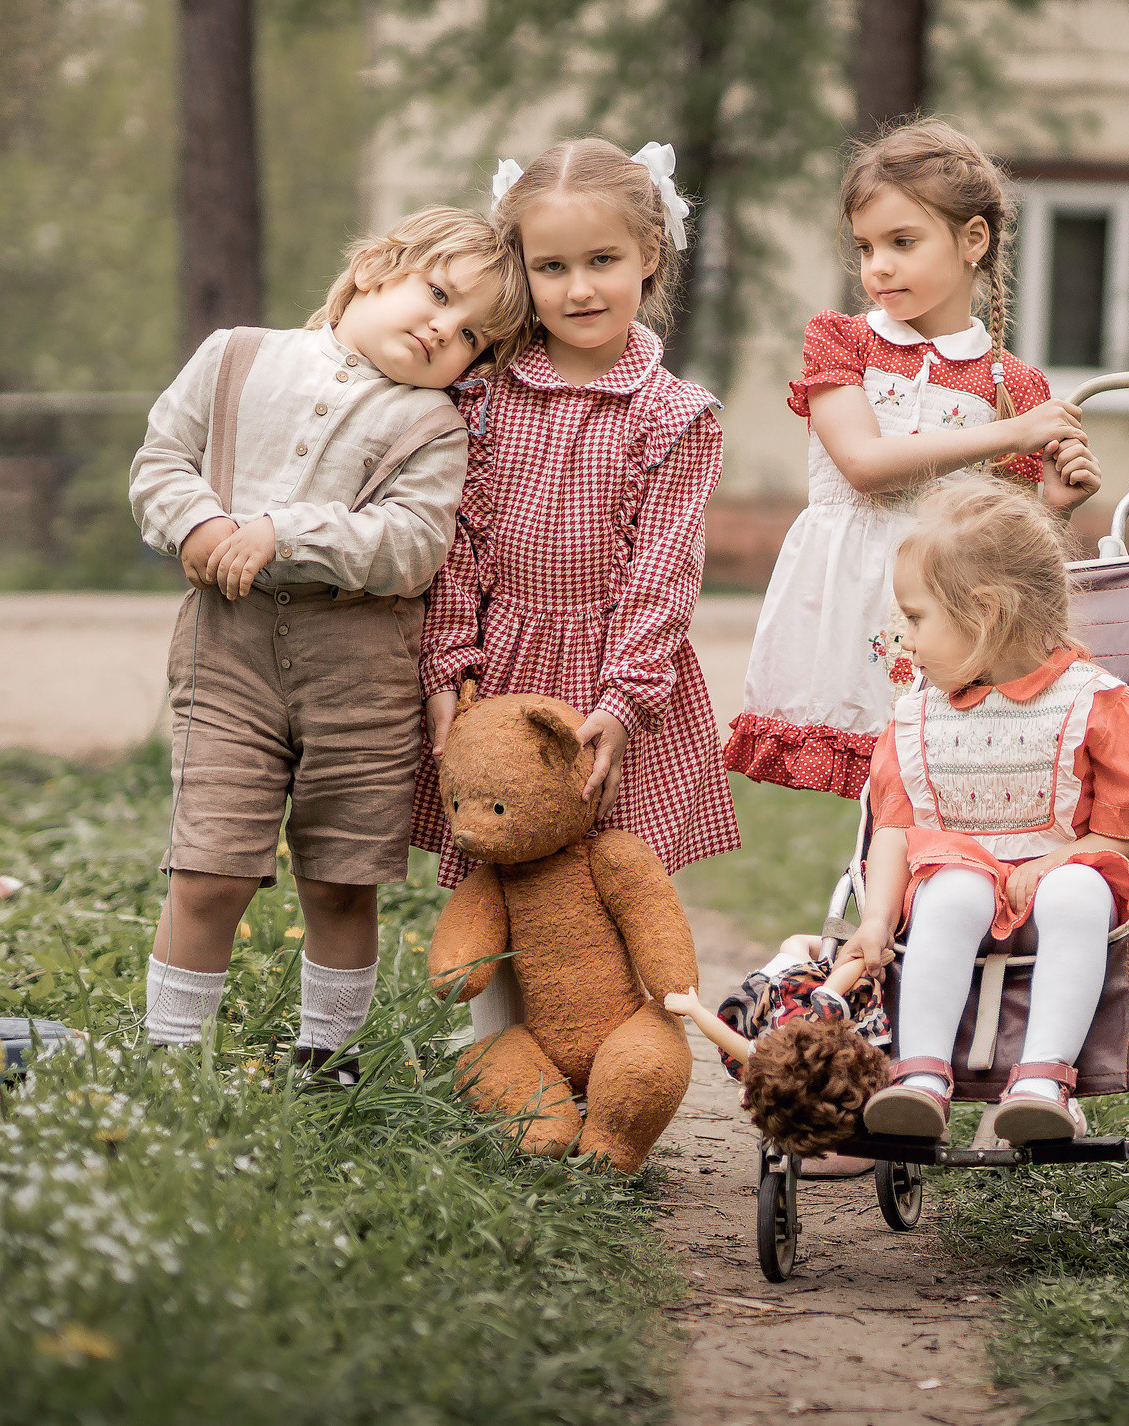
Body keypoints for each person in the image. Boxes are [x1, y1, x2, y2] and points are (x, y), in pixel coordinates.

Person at [129, 207, 527, 1070]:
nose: (440, 329)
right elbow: (161, 461)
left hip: (363, 671)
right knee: (210, 867)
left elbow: (413, 544)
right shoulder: (235, 355)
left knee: (343, 877)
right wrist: (198, 526)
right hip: (225, 652)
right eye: (437, 293)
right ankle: (169, 1052)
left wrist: (284, 531)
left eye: (470, 336)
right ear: (377, 267)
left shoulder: (435, 428)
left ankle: (329, 1057)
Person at [721, 117, 1102, 800]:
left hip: (946, 606)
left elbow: (1007, 542)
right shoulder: (842, 340)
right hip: (851, 595)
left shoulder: (1012, 386)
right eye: (866, 246)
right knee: (881, 798)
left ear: (972, 241)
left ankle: (921, 902)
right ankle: (879, 902)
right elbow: (864, 463)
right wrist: (1011, 437)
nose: (879, 266)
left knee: (936, 785)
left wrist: (1052, 504)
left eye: (903, 241)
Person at [414, 139, 738, 902]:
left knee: (609, 887)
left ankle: (626, 1022)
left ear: (648, 252)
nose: (579, 289)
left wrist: (622, 703)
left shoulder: (672, 416)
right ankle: (496, 1026)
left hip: (613, 679)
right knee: (499, 871)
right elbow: (457, 550)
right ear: (520, 268)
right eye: (551, 267)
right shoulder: (482, 399)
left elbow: (665, 574)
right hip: (502, 675)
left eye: (602, 260)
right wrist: (448, 670)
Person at [836, 476, 1129, 1145]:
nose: (901, 638)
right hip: (961, 891)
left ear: (985, 612)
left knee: (1080, 887)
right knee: (946, 887)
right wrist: (876, 919)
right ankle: (922, 1076)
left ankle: (1042, 1080)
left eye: (915, 617)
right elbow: (896, 831)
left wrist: (1069, 855)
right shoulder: (915, 720)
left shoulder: (1095, 704)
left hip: (1060, 889)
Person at [661, 938, 890, 1158]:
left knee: (795, 944)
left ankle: (839, 944)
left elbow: (722, 1035)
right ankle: (841, 944)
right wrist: (867, 960)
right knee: (796, 945)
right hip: (793, 990)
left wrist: (694, 1009)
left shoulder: (767, 1059)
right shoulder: (822, 1015)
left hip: (780, 997)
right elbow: (836, 984)